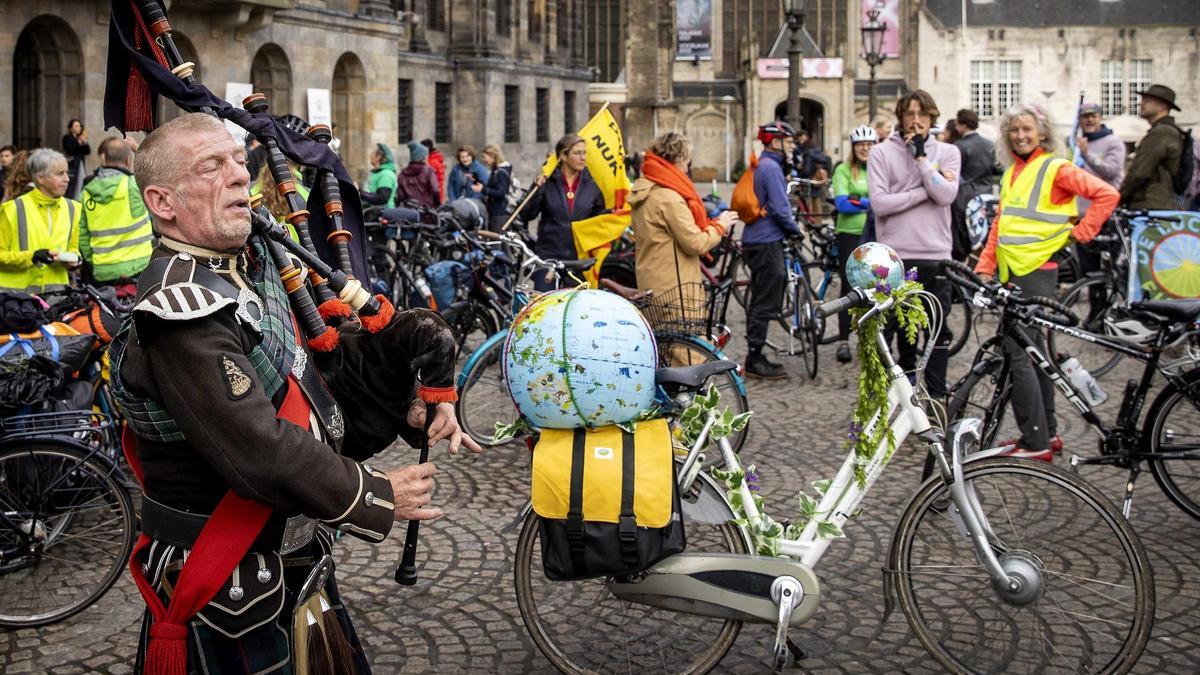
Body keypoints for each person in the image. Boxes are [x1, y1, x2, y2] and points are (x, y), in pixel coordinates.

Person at [111, 112, 480, 673]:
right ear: (163, 203)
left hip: (289, 561)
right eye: (212, 167)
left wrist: (409, 391)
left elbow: (311, 384)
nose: (239, 176)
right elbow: (259, 448)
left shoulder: (246, 269)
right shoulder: (180, 311)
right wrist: (375, 495)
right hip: (226, 578)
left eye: (238, 159)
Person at [975, 102, 1119, 460]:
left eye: (1027, 129)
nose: (1020, 135)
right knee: (1037, 355)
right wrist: (985, 266)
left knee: (1021, 355)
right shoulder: (1012, 173)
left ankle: (1034, 441)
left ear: (1042, 132)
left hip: (1037, 272)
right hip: (1015, 272)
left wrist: (1082, 233)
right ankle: (1048, 433)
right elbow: (1001, 225)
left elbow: (1107, 194)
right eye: (1014, 130)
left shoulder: (1054, 167)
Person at [867, 89, 960, 401]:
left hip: (935, 253)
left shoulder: (948, 153)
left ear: (932, 117)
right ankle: (896, 393)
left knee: (935, 329)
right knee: (892, 328)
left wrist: (922, 160)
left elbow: (946, 196)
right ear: (900, 117)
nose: (916, 121)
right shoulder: (881, 153)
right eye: (909, 114)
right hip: (896, 256)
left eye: (922, 114)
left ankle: (936, 396)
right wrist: (926, 188)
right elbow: (880, 204)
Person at [629, 132, 734, 364]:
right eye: (687, 162)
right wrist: (720, 225)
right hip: (675, 287)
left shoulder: (645, 189)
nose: (688, 168)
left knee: (665, 352)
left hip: (654, 280)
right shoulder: (668, 198)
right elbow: (695, 242)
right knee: (685, 359)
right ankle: (685, 401)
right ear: (677, 161)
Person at [742, 120, 801, 380]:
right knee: (764, 301)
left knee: (761, 297)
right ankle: (754, 358)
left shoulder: (763, 164)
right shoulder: (770, 167)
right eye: (788, 142)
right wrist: (795, 229)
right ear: (775, 142)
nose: (791, 148)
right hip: (765, 242)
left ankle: (756, 353)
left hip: (758, 240)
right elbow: (779, 207)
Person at [520, 134, 607, 289]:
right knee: (546, 309)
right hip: (548, 258)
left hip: (578, 262)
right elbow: (526, 214)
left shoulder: (592, 185)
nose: (583, 158)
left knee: (574, 311)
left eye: (584, 153)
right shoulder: (547, 182)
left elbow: (600, 219)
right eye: (577, 153)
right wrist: (537, 189)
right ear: (563, 156)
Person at [0, 148, 82, 293]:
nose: (67, 179)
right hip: (18, 301)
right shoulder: (12, 209)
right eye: (59, 174)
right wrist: (32, 257)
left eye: (66, 173)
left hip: (57, 298)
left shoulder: (73, 208)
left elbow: (73, 248)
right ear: (40, 178)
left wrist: (75, 260)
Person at [831, 125, 877, 364]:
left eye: (869, 145)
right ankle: (843, 340)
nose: (865, 149)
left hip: (875, 233)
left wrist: (858, 199)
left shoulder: (879, 169)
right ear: (854, 147)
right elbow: (842, 204)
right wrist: (871, 203)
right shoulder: (843, 169)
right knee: (849, 286)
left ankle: (870, 337)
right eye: (861, 145)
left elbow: (885, 198)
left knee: (875, 287)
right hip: (849, 233)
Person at [78, 137, 153, 285]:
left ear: (103, 159)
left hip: (103, 271)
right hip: (139, 268)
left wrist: (95, 262)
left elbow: (82, 237)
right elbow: (162, 174)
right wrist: (138, 150)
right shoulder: (134, 186)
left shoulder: (86, 192)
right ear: (127, 160)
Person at [1120, 84, 1185, 210]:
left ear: (1163, 106)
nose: (1141, 104)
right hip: (1157, 204)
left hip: (1151, 205)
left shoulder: (1161, 132)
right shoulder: (1166, 131)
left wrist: (1120, 197)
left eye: (1147, 101)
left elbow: (1139, 173)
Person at [952, 109, 998, 261]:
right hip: (987, 194)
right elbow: (997, 169)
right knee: (984, 237)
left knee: (965, 238)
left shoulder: (959, 146)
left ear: (963, 125)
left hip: (965, 197)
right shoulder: (989, 144)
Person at [476, 144, 513, 231]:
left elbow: (501, 192)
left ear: (492, 156)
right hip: (494, 210)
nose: (484, 160)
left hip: (499, 212)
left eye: (485, 157)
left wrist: (483, 189)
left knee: (497, 239)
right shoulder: (495, 170)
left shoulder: (501, 172)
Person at [397, 141, 442, 208]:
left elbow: (400, 196)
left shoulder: (402, 174)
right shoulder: (429, 172)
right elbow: (435, 190)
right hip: (427, 210)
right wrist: (438, 205)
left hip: (410, 212)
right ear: (423, 158)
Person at [360, 142, 398, 209]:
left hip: (381, 215)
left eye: (372, 154)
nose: (370, 156)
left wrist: (361, 194)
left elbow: (381, 198)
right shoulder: (378, 172)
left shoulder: (386, 174)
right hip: (372, 211)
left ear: (378, 157)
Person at [62, 119, 91, 199]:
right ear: (71, 128)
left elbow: (88, 151)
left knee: (81, 182)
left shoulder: (81, 138)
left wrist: (85, 143)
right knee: (71, 184)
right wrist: (79, 142)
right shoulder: (67, 138)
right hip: (72, 165)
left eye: (79, 126)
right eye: (76, 126)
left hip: (80, 164)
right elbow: (69, 149)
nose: (79, 128)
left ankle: (78, 200)